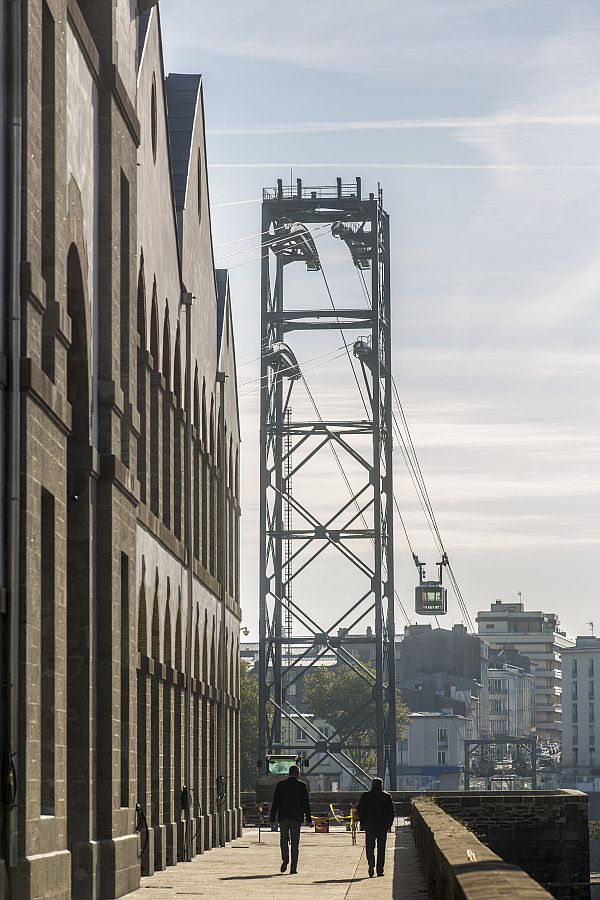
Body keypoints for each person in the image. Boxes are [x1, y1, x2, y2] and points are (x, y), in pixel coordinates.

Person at [269, 765, 312, 874]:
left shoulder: (280, 785)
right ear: (297, 774)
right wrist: (309, 819)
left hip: (283, 817)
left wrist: (272, 818)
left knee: (283, 839)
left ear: (289, 773)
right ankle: (293, 868)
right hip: (296, 818)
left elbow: (275, 803)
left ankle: (285, 858)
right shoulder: (302, 786)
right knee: (295, 843)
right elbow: (306, 804)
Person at [357, 777, 395, 878]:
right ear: (381, 785)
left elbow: (360, 811)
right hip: (382, 826)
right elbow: (391, 812)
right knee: (381, 848)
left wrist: (363, 824)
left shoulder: (365, 796)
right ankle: (380, 870)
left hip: (369, 826)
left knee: (370, 847)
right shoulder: (386, 796)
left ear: (372, 785)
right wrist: (389, 825)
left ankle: (371, 864)